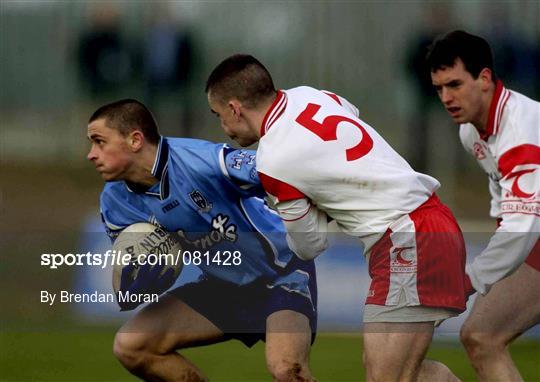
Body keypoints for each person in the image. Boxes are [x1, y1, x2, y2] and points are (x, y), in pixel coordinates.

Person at [206, 54, 467, 382]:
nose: (223, 127)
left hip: (408, 236)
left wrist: (317, 202)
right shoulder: (310, 95)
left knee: (389, 377)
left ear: (234, 108)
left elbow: (310, 245)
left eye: (218, 116)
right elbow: (350, 115)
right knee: (397, 374)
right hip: (425, 222)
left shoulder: (272, 160)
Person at [86, 99, 317, 381]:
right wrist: (137, 279)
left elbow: (278, 171)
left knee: (286, 369)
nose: (91, 154)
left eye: (99, 142)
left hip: (282, 273)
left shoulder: (203, 161)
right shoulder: (114, 202)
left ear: (135, 140)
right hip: (224, 286)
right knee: (132, 345)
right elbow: (136, 265)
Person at [427, 30, 540, 381]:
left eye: (455, 85)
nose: (446, 98)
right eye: (439, 88)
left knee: (482, 335)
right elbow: (507, 206)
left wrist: (470, 279)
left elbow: (522, 226)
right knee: (481, 336)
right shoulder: (470, 132)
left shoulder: (520, 131)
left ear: (486, 78)